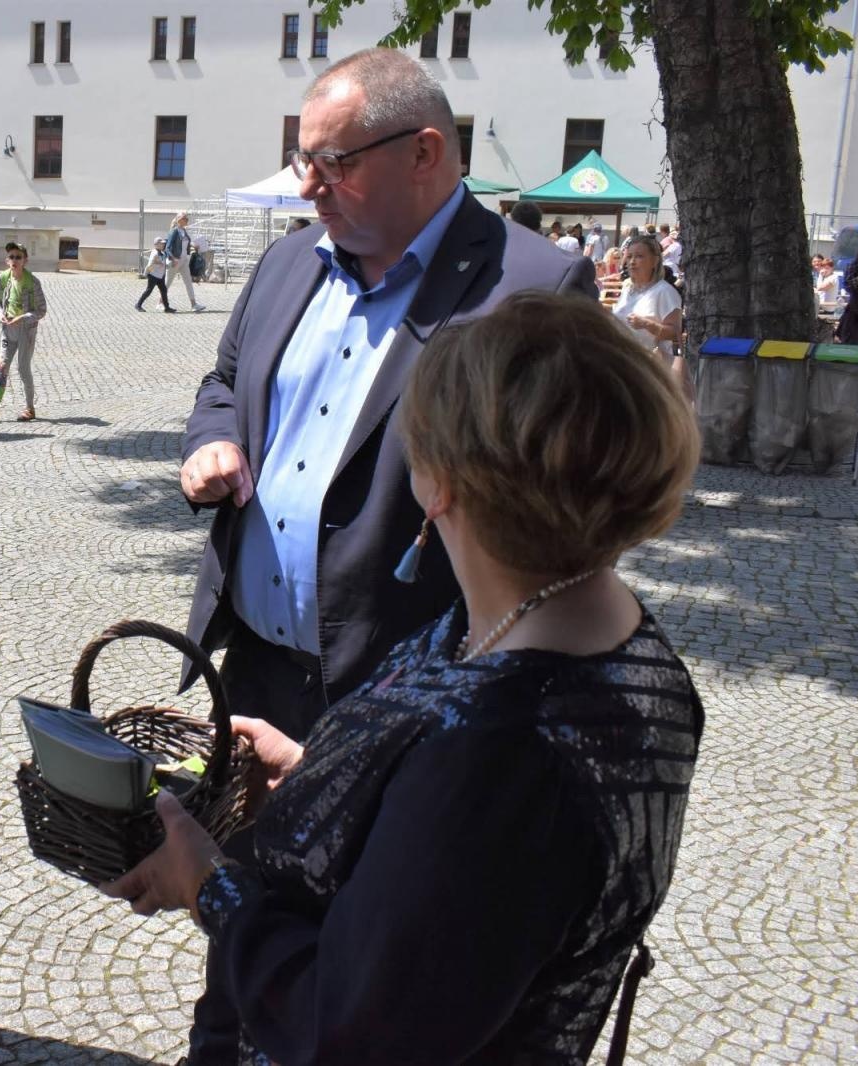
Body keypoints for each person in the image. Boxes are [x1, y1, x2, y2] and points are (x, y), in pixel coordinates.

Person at [109, 291, 704, 1066]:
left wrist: (207, 881)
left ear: (443, 485)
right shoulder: (556, 618)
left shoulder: (512, 749)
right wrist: (317, 771)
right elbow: (449, 875)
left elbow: (354, 1030)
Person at [179, 45, 599, 745]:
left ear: (424, 153)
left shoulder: (535, 290)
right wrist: (212, 440)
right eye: (302, 160)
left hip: (406, 693)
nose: (309, 187)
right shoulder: (287, 262)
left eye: (333, 164)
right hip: (254, 666)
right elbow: (224, 382)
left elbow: (561, 522)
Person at [612, 233, 688, 399]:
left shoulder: (665, 292)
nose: (632, 261)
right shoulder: (627, 291)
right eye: (629, 256)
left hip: (650, 372)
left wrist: (646, 324)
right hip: (623, 365)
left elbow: (676, 335)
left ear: (654, 261)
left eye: (639, 256)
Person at [0, 240, 48, 423]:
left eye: (18, 257)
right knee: (1, 367)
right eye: (11, 257)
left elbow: (41, 310)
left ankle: (29, 408)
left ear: (25, 260)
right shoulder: (3, 278)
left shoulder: (32, 282)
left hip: (25, 332)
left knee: (23, 369)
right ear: (6, 261)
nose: (14, 260)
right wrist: (0, 314)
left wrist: (22, 318)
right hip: (7, 330)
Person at [166, 210, 207, 311]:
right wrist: (173, 259)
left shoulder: (183, 231)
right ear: (180, 220)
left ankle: (193, 304)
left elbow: (185, 242)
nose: (187, 220)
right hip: (175, 261)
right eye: (186, 218)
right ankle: (160, 302)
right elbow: (167, 247)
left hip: (184, 261)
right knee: (167, 283)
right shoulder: (174, 231)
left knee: (188, 282)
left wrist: (193, 244)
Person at [136, 236, 174, 312]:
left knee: (164, 291)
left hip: (160, 275)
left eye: (163, 244)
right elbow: (150, 264)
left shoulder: (162, 252)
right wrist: (146, 273)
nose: (163, 245)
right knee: (149, 291)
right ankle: (138, 305)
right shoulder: (155, 253)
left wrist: (168, 264)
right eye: (161, 244)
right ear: (156, 244)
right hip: (153, 275)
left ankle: (167, 307)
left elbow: (164, 262)